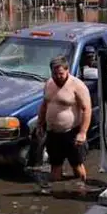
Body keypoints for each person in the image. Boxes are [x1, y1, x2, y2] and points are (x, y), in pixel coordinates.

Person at [35, 56, 93, 192]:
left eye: (61, 73)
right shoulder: (49, 83)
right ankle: (57, 197)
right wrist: (39, 125)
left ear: (67, 70)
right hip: (53, 133)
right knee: (55, 166)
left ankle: (82, 192)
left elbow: (87, 110)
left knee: (77, 166)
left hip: (72, 133)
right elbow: (44, 105)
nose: (58, 76)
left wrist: (82, 133)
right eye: (54, 74)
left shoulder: (78, 86)